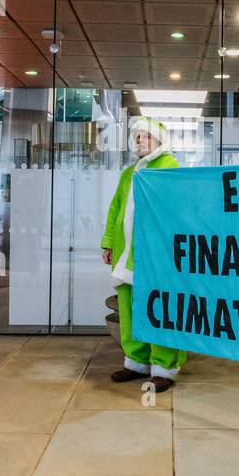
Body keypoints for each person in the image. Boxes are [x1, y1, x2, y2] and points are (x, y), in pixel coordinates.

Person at [101, 116, 184, 392]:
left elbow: (178, 209)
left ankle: (164, 367)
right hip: (127, 253)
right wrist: (109, 243)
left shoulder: (169, 168)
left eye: (145, 136)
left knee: (159, 307)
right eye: (136, 137)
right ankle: (135, 362)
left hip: (156, 255)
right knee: (129, 307)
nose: (139, 141)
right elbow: (116, 209)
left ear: (158, 140)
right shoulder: (128, 173)